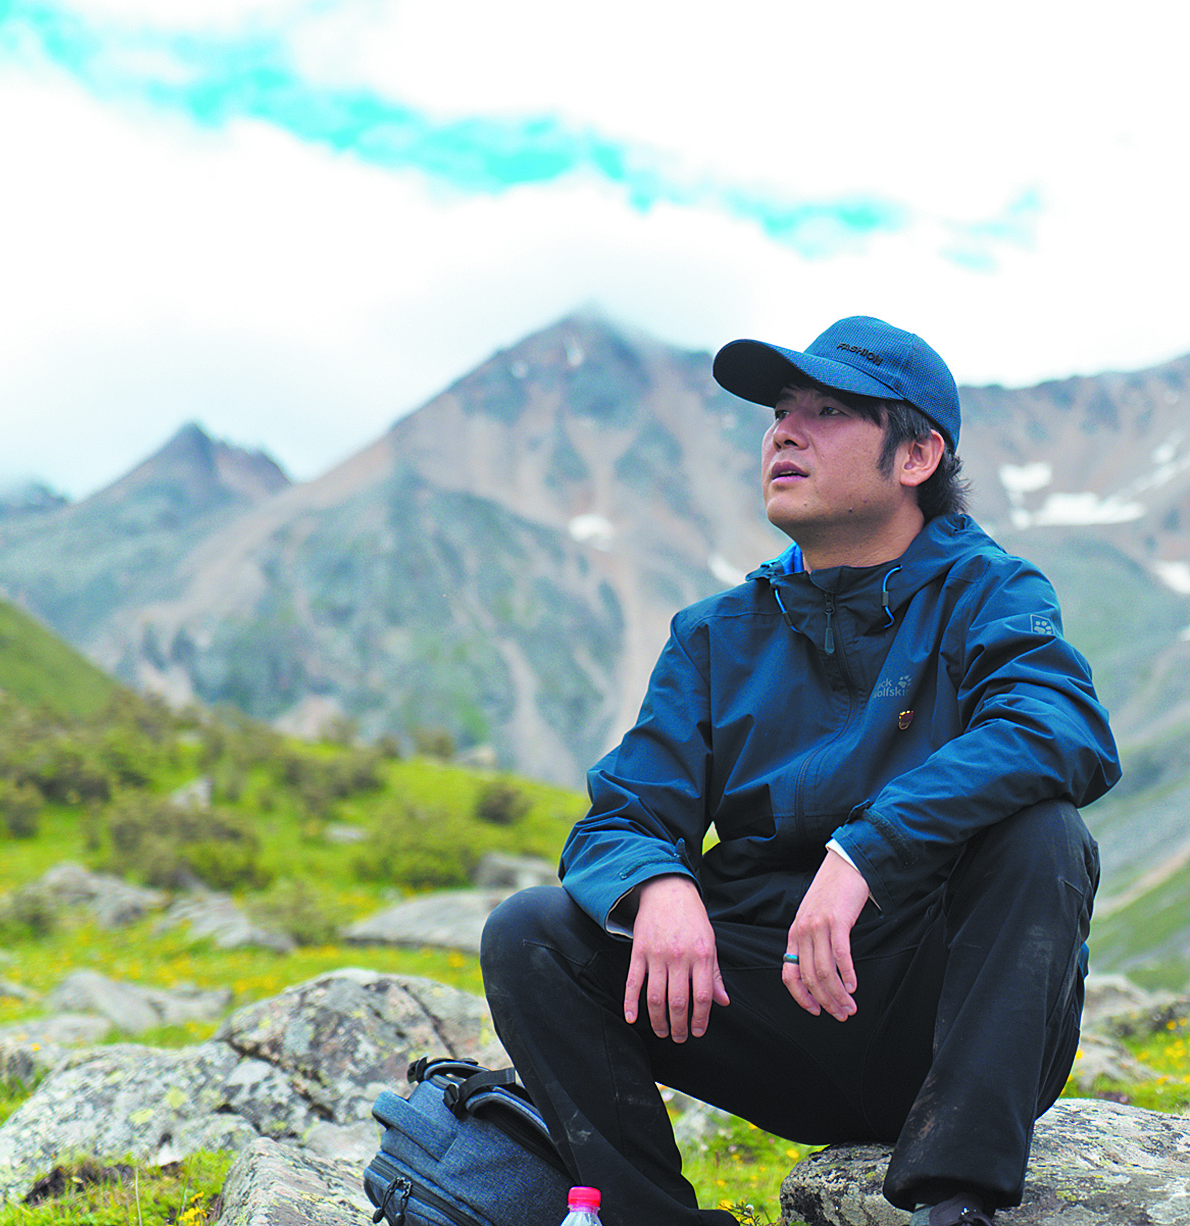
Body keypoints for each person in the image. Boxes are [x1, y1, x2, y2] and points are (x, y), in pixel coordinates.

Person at [480, 316, 1120, 1226]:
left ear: (917, 457)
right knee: (533, 933)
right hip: (772, 1005)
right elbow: (621, 817)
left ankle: (957, 1204)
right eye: (781, 412)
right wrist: (655, 884)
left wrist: (869, 849)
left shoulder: (990, 591)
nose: (785, 431)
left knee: (1042, 833)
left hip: (942, 1013)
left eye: (828, 412)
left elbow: (1060, 726)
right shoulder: (715, 635)